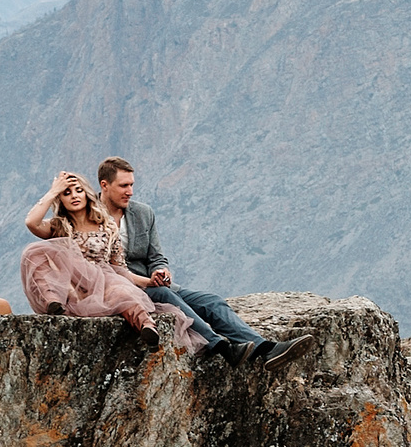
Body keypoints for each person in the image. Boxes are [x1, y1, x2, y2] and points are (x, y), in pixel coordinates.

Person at [94, 157, 313, 369]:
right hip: (124, 291)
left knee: (211, 301)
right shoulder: (87, 216)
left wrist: (161, 270)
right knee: (165, 295)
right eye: (123, 186)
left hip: (155, 284)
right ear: (105, 185)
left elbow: (156, 256)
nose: (130, 191)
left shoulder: (143, 213)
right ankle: (220, 346)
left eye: (132, 185)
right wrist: (148, 283)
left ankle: (267, 349)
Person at [17, 172, 197, 350]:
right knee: (34, 252)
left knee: (122, 293)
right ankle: (53, 302)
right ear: (60, 199)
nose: (74, 196)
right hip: (72, 289)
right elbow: (32, 222)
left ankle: (147, 327)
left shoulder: (107, 226)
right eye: (66, 193)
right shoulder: (58, 227)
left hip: (103, 282)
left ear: (86, 194)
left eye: (78, 191)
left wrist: (149, 281)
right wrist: (53, 191)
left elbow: (121, 269)